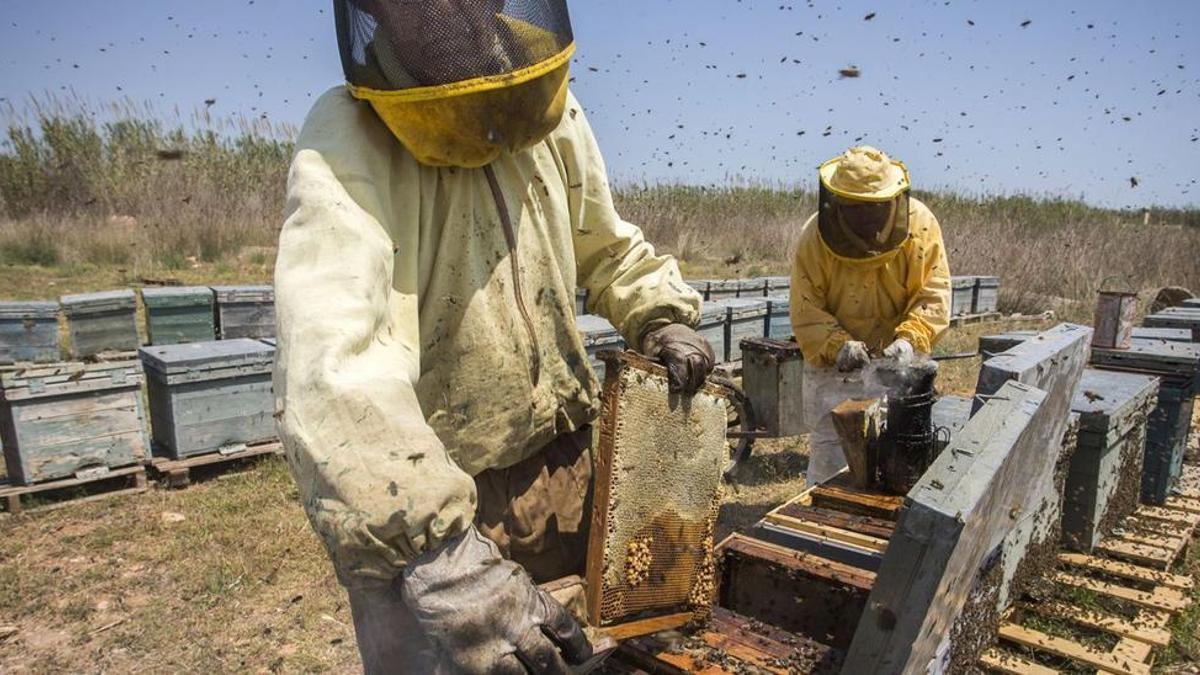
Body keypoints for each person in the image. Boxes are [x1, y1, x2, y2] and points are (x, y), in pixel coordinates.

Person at [271, 1, 716, 673]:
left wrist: (661, 312)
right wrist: (439, 557)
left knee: (587, 655)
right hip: (441, 512)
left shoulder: (549, 108)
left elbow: (606, 244)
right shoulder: (349, 135)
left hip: (565, 471)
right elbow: (333, 357)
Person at [790, 146, 951, 486]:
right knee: (834, 464)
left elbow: (932, 292)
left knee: (899, 459)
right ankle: (823, 529)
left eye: (872, 208)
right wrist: (838, 346)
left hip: (898, 366)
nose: (864, 218)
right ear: (837, 203)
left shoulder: (920, 226)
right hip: (833, 368)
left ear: (893, 200)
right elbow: (806, 308)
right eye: (855, 209)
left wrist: (910, 340)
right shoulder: (814, 237)